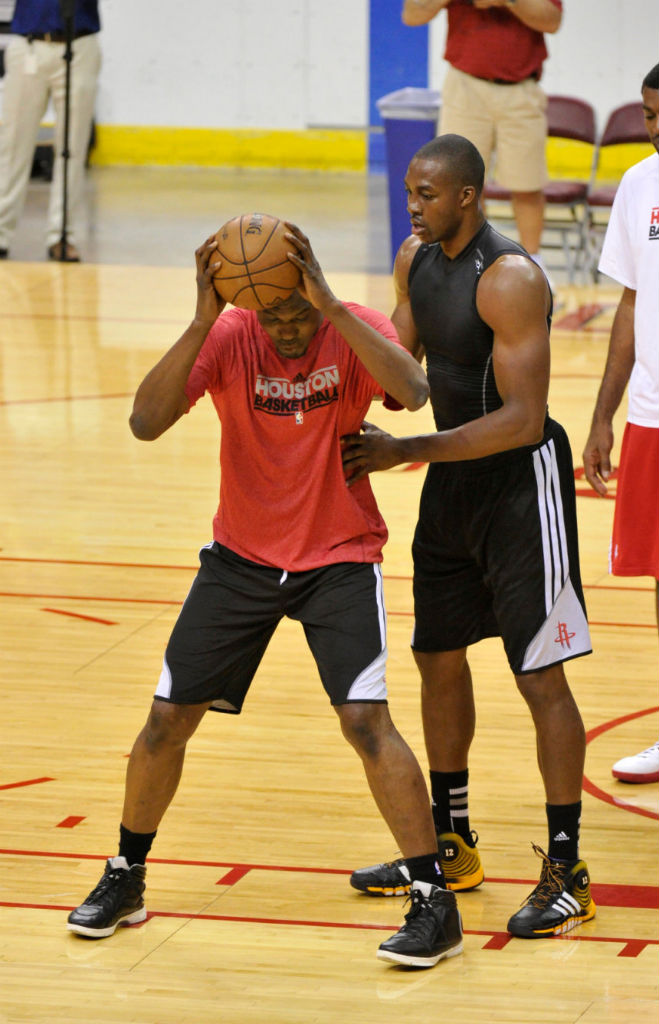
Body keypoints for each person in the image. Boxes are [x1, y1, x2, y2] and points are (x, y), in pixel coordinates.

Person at [66, 221, 464, 969]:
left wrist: (333, 308)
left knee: (365, 721)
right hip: (239, 558)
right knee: (164, 720)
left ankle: (431, 901)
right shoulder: (230, 335)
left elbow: (412, 391)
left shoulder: (347, 325)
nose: (284, 327)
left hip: (339, 557)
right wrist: (199, 318)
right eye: (270, 313)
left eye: (296, 312)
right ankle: (126, 876)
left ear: (312, 290)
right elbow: (145, 422)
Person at [343, 134, 596, 939]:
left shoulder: (511, 277)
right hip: (452, 482)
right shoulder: (414, 261)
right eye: (409, 192)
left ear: (465, 197)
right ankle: (451, 843)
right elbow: (403, 379)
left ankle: (566, 871)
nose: (411, 205)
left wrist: (403, 452)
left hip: (522, 488)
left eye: (425, 194)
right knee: (436, 657)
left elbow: (521, 420)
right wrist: (318, 312)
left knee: (539, 676)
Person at [582, 64, 659, 787]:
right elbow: (631, 306)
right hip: (651, 416)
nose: (654, 128)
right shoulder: (639, 183)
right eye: (647, 115)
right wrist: (603, 413)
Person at [401, 0, 562, 276]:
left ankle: (534, 266)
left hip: (521, 87)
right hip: (466, 86)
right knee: (458, 183)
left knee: (527, 183)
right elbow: (412, 14)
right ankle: (469, 262)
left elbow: (552, 20)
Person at [0, 0, 101, 261]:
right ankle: (1, 232)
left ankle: (62, 235)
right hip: (29, 45)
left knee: (72, 148)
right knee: (12, 145)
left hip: (79, 45)